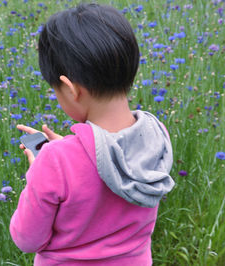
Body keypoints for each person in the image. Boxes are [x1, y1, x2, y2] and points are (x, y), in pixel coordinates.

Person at [10, 3, 175, 265]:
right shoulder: (156, 135)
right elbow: (107, 162)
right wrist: (73, 150)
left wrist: (42, 170)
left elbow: (27, 239)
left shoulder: (54, 161)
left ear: (71, 88)